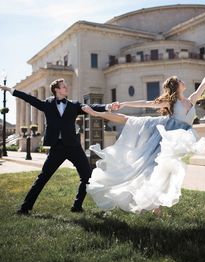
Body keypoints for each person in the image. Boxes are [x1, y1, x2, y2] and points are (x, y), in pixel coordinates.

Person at [83, 56, 205, 213]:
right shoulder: (172, 102)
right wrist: (124, 103)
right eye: (180, 80)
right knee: (129, 121)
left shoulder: (191, 100)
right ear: (176, 86)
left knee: (164, 171)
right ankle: (96, 113)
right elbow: (146, 103)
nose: (183, 81)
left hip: (179, 137)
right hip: (165, 133)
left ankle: (154, 204)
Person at [0, 79, 119, 215]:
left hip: (74, 146)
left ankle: (77, 206)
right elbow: (29, 99)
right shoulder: (47, 105)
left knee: (87, 176)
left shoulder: (74, 105)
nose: (66, 88)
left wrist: (108, 106)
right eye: (64, 86)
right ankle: (25, 208)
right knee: (43, 178)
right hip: (57, 147)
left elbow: (92, 106)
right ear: (56, 89)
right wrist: (10, 90)